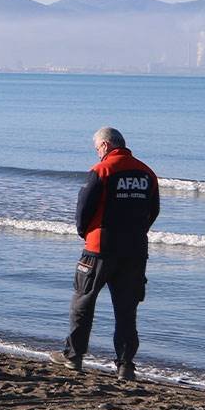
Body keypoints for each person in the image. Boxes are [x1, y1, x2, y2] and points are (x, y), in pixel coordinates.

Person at [49, 127, 159, 381]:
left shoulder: (102, 170)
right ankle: (125, 366)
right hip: (134, 252)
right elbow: (153, 210)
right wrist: (135, 233)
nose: (97, 152)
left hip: (99, 249)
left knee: (83, 302)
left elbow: (83, 210)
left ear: (106, 146)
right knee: (126, 310)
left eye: (98, 148)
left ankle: (74, 356)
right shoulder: (147, 173)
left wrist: (85, 234)